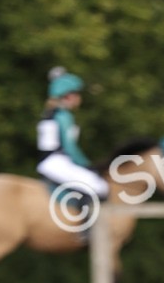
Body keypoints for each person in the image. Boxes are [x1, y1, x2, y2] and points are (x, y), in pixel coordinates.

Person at [36, 67, 109, 200]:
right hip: (57, 161)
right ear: (68, 96)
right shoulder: (63, 117)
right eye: (77, 94)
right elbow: (70, 147)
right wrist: (86, 164)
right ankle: (86, 220)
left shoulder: (51, 113)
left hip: (49, 162)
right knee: (99, 186)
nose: (79, 98)